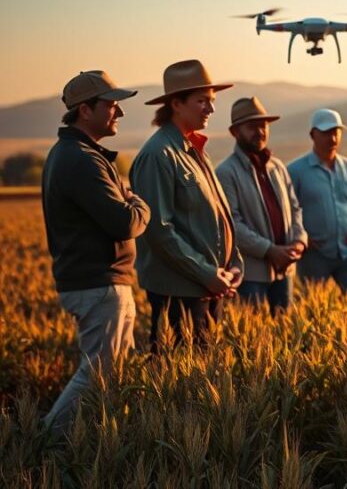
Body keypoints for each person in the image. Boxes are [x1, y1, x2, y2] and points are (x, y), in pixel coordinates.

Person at [40, 71, 151, 435]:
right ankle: (46, 443)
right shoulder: (81, 159)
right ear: (85, 110)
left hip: (97, 282)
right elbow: (124, 223)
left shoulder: (75, 154)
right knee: (98, 374)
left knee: (109, 374)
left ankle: (92, 446)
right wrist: (139, 203)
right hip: (98, 284)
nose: (118, 112)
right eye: (111, 104)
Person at [130, 59, 243, 352]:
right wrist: (207, 273)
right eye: (202, 101)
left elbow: (218, 216)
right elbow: (159, 230)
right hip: (179, 293)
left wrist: (233, 264)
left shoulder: (195, 150)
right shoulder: (158, 155)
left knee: (202, 381)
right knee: (178, 384)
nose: (211, 108)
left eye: (212, 101)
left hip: (207, 287)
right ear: (176, 104)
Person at [216, 97, 307, 315]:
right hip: (250, 275)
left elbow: (295, 209)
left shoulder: (277, 167)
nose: (260, 131)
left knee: (283, 334)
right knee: (252, 338)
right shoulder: (226, 172)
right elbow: (232, 225)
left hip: (284, 271)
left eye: (263, 125)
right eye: (252, 126)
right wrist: (269, 250)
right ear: (235, 132)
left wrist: (299, 242)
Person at [287, 109, 347, 293]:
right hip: (313, 255)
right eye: (326, 133)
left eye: (336, 132)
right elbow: (287, 210)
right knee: (312, 307)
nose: (332, 139)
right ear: (312, 135)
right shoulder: (295, 171)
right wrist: (302, 238)